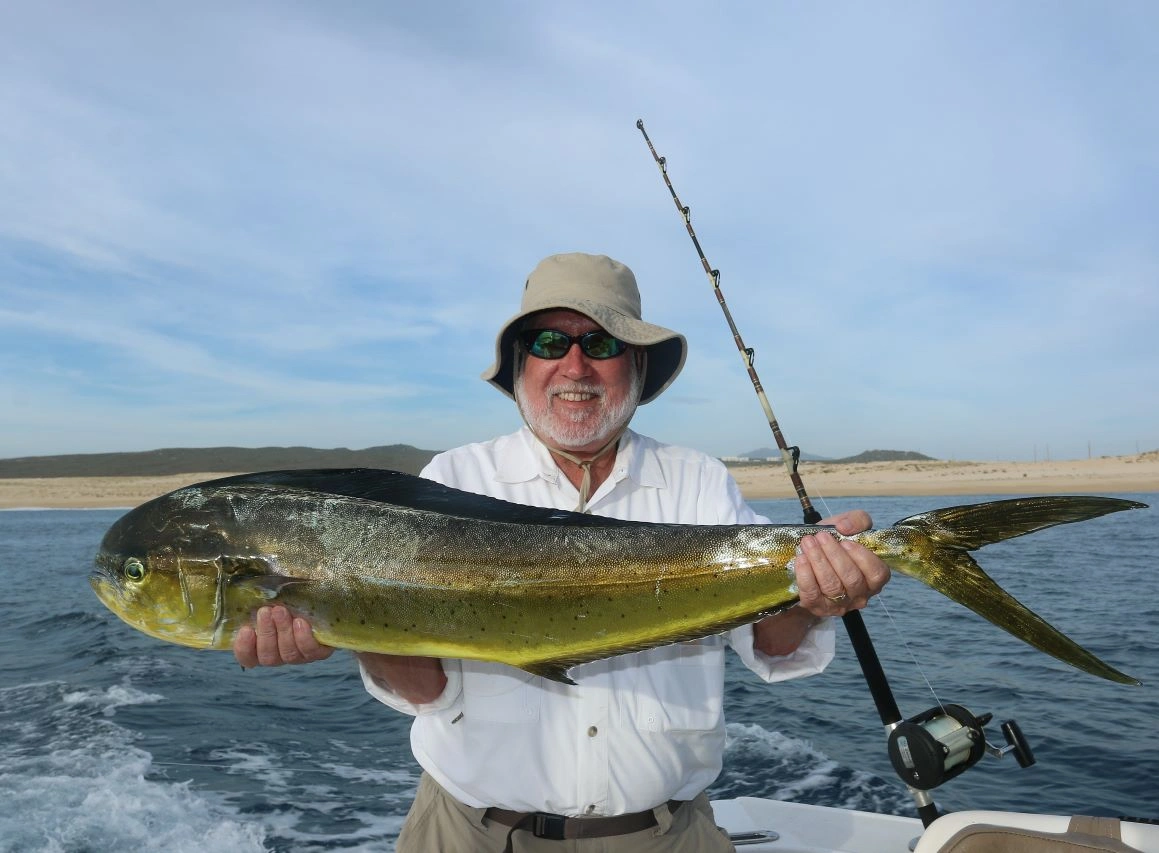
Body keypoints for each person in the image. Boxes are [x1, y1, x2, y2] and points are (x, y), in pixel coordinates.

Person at [234, 252, 891, 852]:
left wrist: (814, 596)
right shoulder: (449, 482)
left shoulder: (698, 481)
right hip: (470, 834)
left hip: (666, 836)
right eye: (549, 342)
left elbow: (772, 644)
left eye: (601, 343)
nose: (575, 367)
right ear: (522, 363)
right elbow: (425, 688)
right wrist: (342, 619)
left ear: (637, 365)